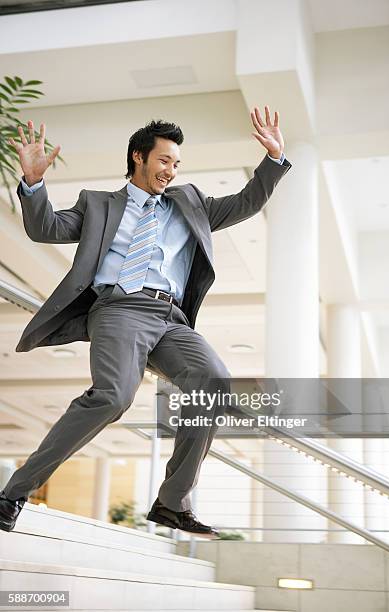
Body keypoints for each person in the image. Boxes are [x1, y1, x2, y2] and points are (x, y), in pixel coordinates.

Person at [0, 107, 291, 536]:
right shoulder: (97, 205)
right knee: (113, 397)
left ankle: (172, 503)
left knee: (214, 380)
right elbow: (45, 228)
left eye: (176, 163)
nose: (170, 171)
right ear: (139, 157)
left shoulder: (189, 203)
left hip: (170, 318)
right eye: (163, 161)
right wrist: (33, 182)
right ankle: (13, 494)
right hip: (119, 309)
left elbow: (246, 202)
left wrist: (272, 161)